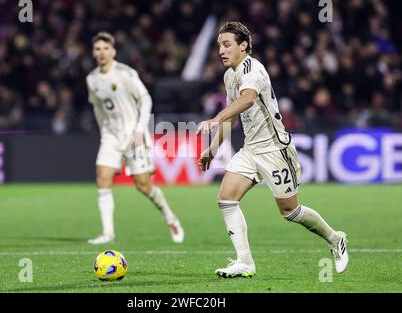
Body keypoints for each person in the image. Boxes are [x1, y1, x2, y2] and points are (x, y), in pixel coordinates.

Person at [198, 22, 348, 277]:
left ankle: (335, 239)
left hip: (274, 149)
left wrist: (216, 118)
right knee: (226, 199)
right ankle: (245, 262)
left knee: (290, 211)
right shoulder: (229, 75)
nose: (221, 51)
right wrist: (212, 149)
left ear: (243, 45)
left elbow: (247, 99)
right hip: (250, 150)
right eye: (219, 46)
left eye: (226, 45)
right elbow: (234, 118)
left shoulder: (252, 68)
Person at [86, 32, 184, 244]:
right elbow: (98, 108)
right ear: (93, 53)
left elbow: (145, 99)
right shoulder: (92, 79)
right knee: (103, 178)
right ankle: (108, 233)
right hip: (111, 136)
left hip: (133, 134)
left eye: (105, 48)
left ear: (113, 51)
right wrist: (103, 130)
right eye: (97, 49)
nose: (102, 53)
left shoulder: (124, 73)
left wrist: (141, 129)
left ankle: (170, 216)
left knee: (143, 186)